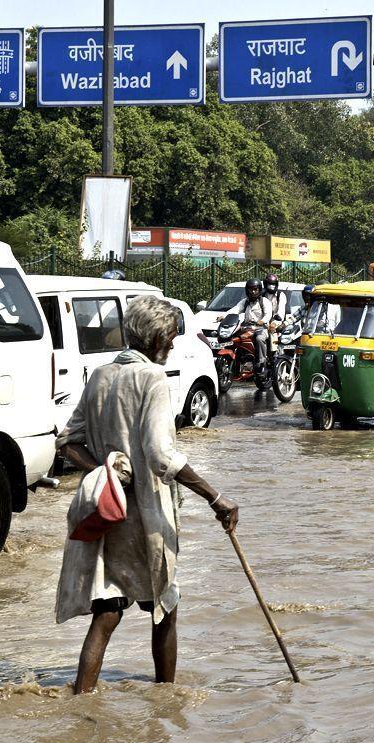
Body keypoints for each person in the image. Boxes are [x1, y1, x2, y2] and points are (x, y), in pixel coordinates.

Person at [55, 295, 238, 694]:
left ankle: (81, 700)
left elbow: (68, 441)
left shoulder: (101, 375)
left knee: (106, 613)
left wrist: (105, 473)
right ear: (156, 338)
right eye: (170, 338)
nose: (172, 346)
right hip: (147, 516)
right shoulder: (154, 378)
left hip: (106, 512)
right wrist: (215, 496)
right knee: (164, 610)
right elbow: (160, 455)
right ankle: (166, 703)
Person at [239, 279, 272, 369]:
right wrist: (224, 316)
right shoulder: (245, 301)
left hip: (260, 328)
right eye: (251, 289)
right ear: (247, 290)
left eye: (255, 289)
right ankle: (239, 360)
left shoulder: (264, 301)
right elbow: (235, 309)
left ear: (259, 290)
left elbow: (268, 314)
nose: (253, 292)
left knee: (259, 339)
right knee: (235, 339)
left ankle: (262, 362)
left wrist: (262, 321)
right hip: (247, 328)